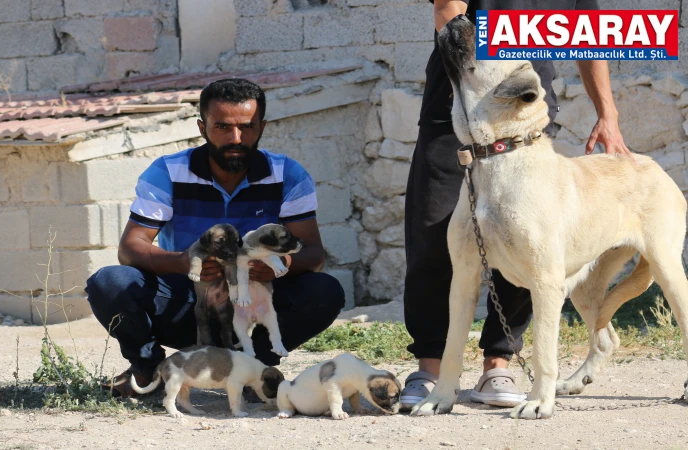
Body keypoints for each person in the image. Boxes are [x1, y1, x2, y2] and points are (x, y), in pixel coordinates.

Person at [401, 0, 633, 410]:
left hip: (523, 106)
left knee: (530, 246)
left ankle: (498, 362)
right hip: (458, 110)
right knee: (434, 236)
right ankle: (433, 369)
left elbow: (590, 32)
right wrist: (458, 43)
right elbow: (447, 9)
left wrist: (608, 114)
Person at [85, 78, 345, 397]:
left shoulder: (287, 175)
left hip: (256, 309)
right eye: (222, 127)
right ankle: (148, 370)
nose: (236, 138)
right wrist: (183, 262)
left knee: (325, 290)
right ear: (202, 127)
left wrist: (279, 265)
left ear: (261, 127)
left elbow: (314, 254)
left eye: (246, 127)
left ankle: (254, 367)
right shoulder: (167, 172)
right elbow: (130, 249)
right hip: (188, 306)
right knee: (110, 281)